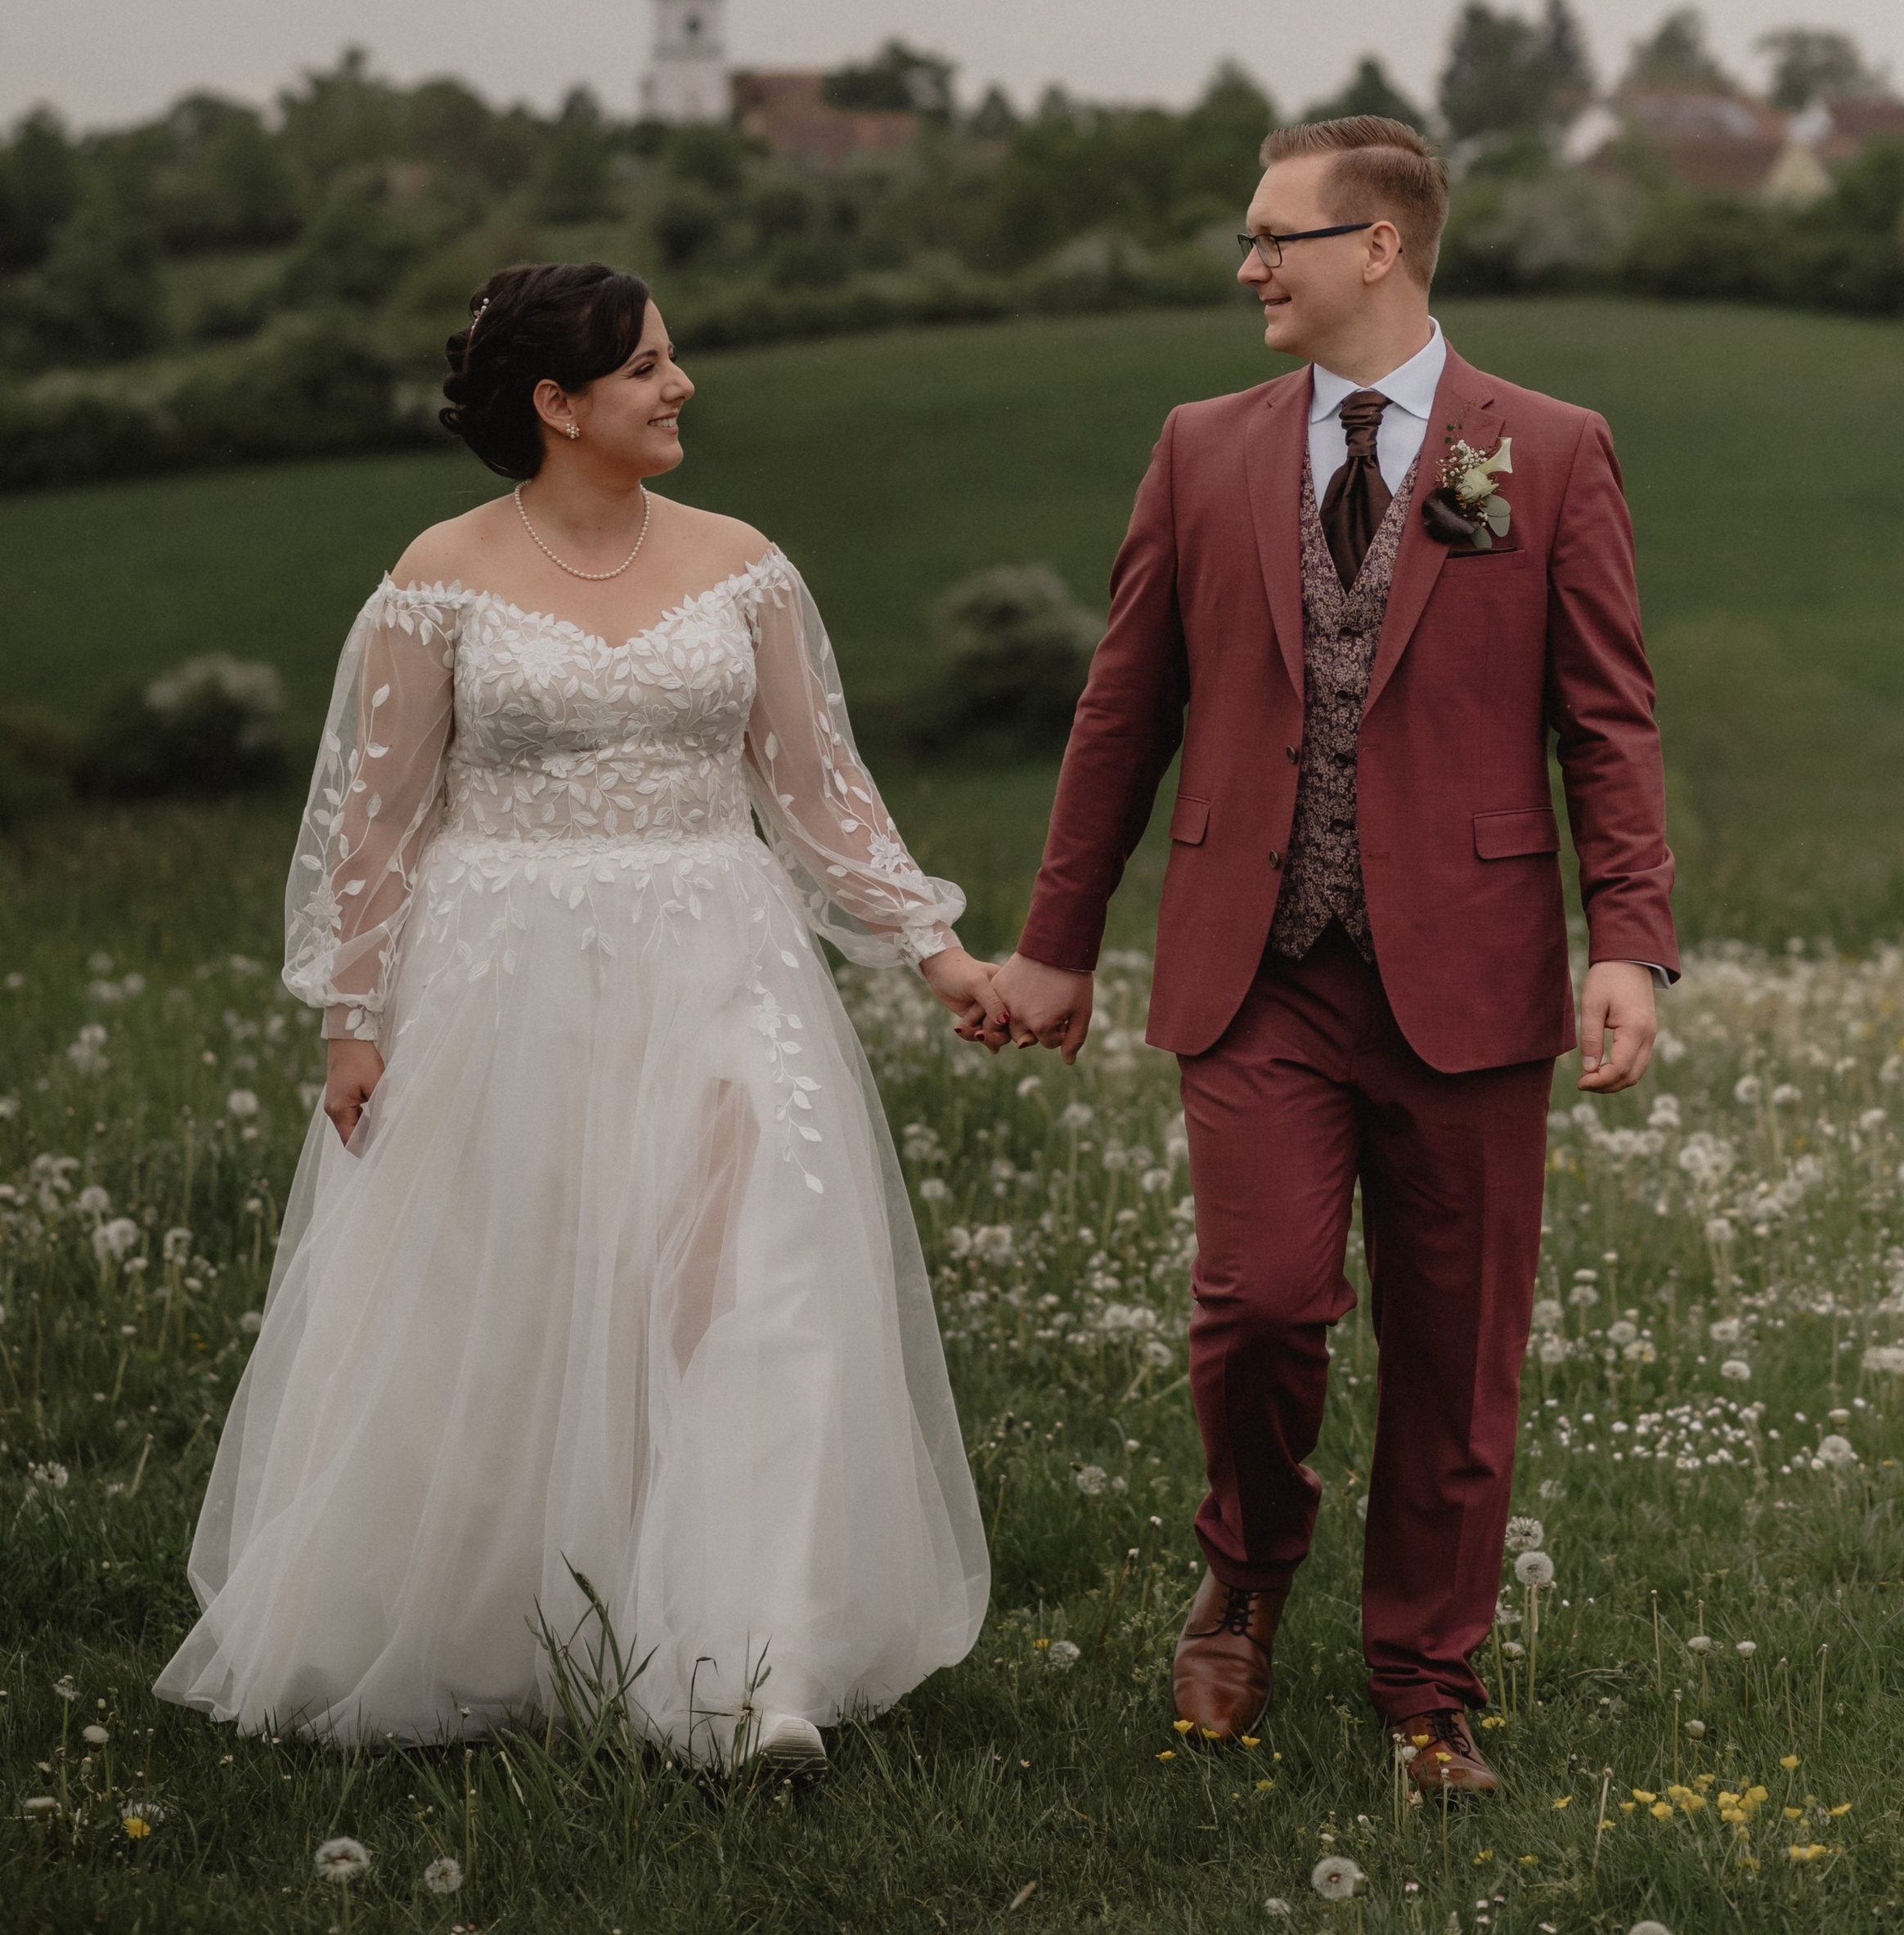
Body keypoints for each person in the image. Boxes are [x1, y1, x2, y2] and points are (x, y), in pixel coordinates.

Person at [158, 262, 1006, 1770]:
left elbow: (817, 797)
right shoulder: (440, 572)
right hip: (503, 968)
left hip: (719, 956)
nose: (681, 387)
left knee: (751, 1282)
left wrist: (935, 954)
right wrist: (353, 1020)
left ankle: (744, 1667)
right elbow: (375, 822)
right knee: (523, 1296)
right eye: (647, 369)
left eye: (674, 360)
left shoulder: (746, 563)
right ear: (557, 406)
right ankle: (512, 1620)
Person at [993, 115, 1674, 1795]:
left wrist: (1630, 941)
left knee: (1457, 1345)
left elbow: (1606, 718)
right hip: (1256, 964)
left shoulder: (1550, 449)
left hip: (1470, 968)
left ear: (1373, 244)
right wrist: (1056, 945)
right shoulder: (1198, 447)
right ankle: (1244, 1567)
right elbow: (1119, 708)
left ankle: (1424, 1680)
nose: (1247, 267)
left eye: (1270, 238)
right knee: (1261, 1299)